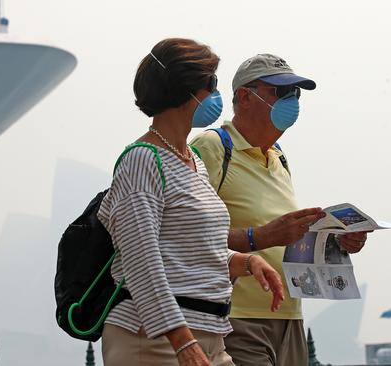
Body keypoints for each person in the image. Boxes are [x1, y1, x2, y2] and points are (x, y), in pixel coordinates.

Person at [97, 40, 284, 366]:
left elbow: (189, 249)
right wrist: (183, 342)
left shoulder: (193, 163)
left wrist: (244, 262)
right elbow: (142, 262)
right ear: (184, 90)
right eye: (211, 83)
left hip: (209, 334)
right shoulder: (143, 160)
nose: (216, 93)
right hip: (154, 340)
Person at [191, 53, 369, 366]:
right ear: (245, 96)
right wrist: (260, 236)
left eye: (296, 94)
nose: (293, 102)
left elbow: (285, 238)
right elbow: (185, 235)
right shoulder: (213, 147)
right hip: (236, 316)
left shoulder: (279, 157)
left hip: (289, 316)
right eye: (282, 92)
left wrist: (336, 242)